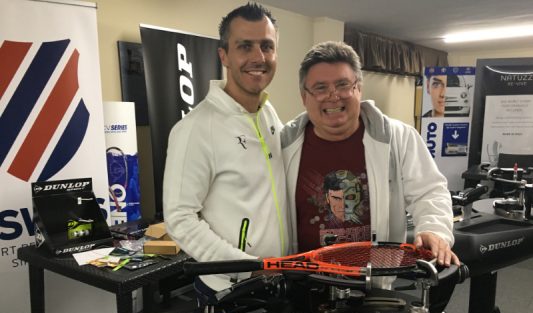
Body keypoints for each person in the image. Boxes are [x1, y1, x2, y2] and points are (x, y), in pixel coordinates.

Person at [282, 41, 459, 288]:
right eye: (320, 88)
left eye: (343, 85)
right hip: (303, 282)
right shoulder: (283, 144)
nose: (333, 96)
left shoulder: (398, 138)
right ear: (304, 97)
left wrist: (434, 229)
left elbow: (429, 191)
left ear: (359, 88)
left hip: (374, 284)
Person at [163, 2, 289, 291]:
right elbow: (180, 219)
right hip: (231, 289)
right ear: (224, 56)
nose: (258, 57)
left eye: (267, 46)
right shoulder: (195, 128)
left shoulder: (268, 114)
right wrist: (248, 269)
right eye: (245, 46)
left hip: (278, 280)